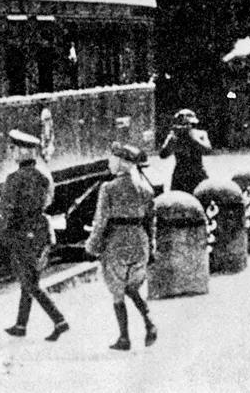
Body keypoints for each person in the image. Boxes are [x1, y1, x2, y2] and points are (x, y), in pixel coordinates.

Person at [0, 129, 69, 341]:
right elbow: (47, 202)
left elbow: (4, 212)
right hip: (41, 231)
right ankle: (21, 325)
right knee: (29, 279)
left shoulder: (14, 179)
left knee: (31, 283)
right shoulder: (43, 176)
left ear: (23, 152)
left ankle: (59, 321)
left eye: (13, 148)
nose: (11, 152)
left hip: (22, 235)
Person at [85, 142, 157, 351]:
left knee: (118, 291)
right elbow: (150, 222)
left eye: (111, 160)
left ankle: (124, 338)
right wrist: (151, 248)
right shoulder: (146, 189)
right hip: (139, 240)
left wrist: (92, 246)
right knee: (132, 287)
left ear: (120, 163)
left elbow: (101, 221)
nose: (109, 162)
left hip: (117, 242)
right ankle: (149, 323)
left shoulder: (108, 188)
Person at [159, 109, 211, 194]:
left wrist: (193, 139)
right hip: (180, 174)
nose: (185, 127)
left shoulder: (200, 134)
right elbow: (163, 155)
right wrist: (172, 142)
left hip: (197, 172)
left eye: (188, 124)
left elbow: (208, 150)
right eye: (182, 124)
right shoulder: (173, 136)